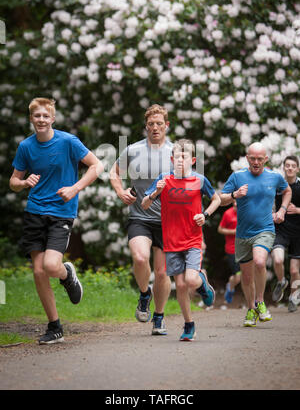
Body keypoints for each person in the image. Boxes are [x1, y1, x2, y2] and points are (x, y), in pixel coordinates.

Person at [9, 97, 103, 344]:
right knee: (39, 271)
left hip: (61, 212)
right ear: (31, 119)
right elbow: (13, 181)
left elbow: (96, 166)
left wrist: (74, 188)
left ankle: (66, 274)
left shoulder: (68, 142)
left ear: (52, 118)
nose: (41, 120)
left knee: (52, 266)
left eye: (45, 116)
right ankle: (55, 327)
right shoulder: (26, 147)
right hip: (34, 211)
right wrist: (23, 182)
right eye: (36, 116)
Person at [142, 139, 220, 341]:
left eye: (184, 157)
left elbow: (216, 199)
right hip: (171, 242)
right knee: (182, 286)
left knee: (191, 280)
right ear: (171, 159)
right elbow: (143, 204)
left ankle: (203, 284)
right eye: (176, 157)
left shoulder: (200, 180)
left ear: (192, 160)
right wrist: (155, 193)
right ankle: (189, 324)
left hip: (192, 239)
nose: (179, 160)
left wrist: (206, 214)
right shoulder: (164, 179)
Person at [109, 104, 172, 335]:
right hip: (140, 217)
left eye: (159, 123)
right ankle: (145, 294)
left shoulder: (176, 153)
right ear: (146, 126)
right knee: (139, 256)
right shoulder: (133, 150)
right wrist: (120, 191)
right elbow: (114, 173)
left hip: (167, 221)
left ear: (167, 125)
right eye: (151, 124)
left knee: (163, 272)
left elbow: (188, 183)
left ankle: (159, 316)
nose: (155, 127)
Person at [220, 142, 292, 327]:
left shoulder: (274, 177)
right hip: (243, 234)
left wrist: (282, 210)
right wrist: (235, 195)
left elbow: (287, 190)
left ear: (266, 159)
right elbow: (221, 200)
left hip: (265, 229)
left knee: (260, 262)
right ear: (247, 158)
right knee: (246, 277)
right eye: (253, 158)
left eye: (260, 158)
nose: (256, 162)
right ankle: (251, 309)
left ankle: (260, 302)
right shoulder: (237, 176)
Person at [271, 155, 300, 312]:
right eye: (287, 165)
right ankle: (281, 281)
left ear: (297, 169)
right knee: (277, 260)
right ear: (283, 167)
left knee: (295, 270)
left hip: (298, 233)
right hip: (280, 230)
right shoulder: (277, 186)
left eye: (292, 166)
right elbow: (268, 204)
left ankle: (294, 298)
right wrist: (272, 214)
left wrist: (297, 210)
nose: (289, 168)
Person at [218, 200, 241, 304]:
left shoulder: (246, 212)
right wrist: (233, 232)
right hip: (232, 249)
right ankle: (230, 287)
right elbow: (220, 229)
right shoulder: (228, 213)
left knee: (248, 274)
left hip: (246, 248)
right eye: (234, 203)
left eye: (238, 203)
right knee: (238, 275)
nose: (236, 205)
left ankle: (255, 301)